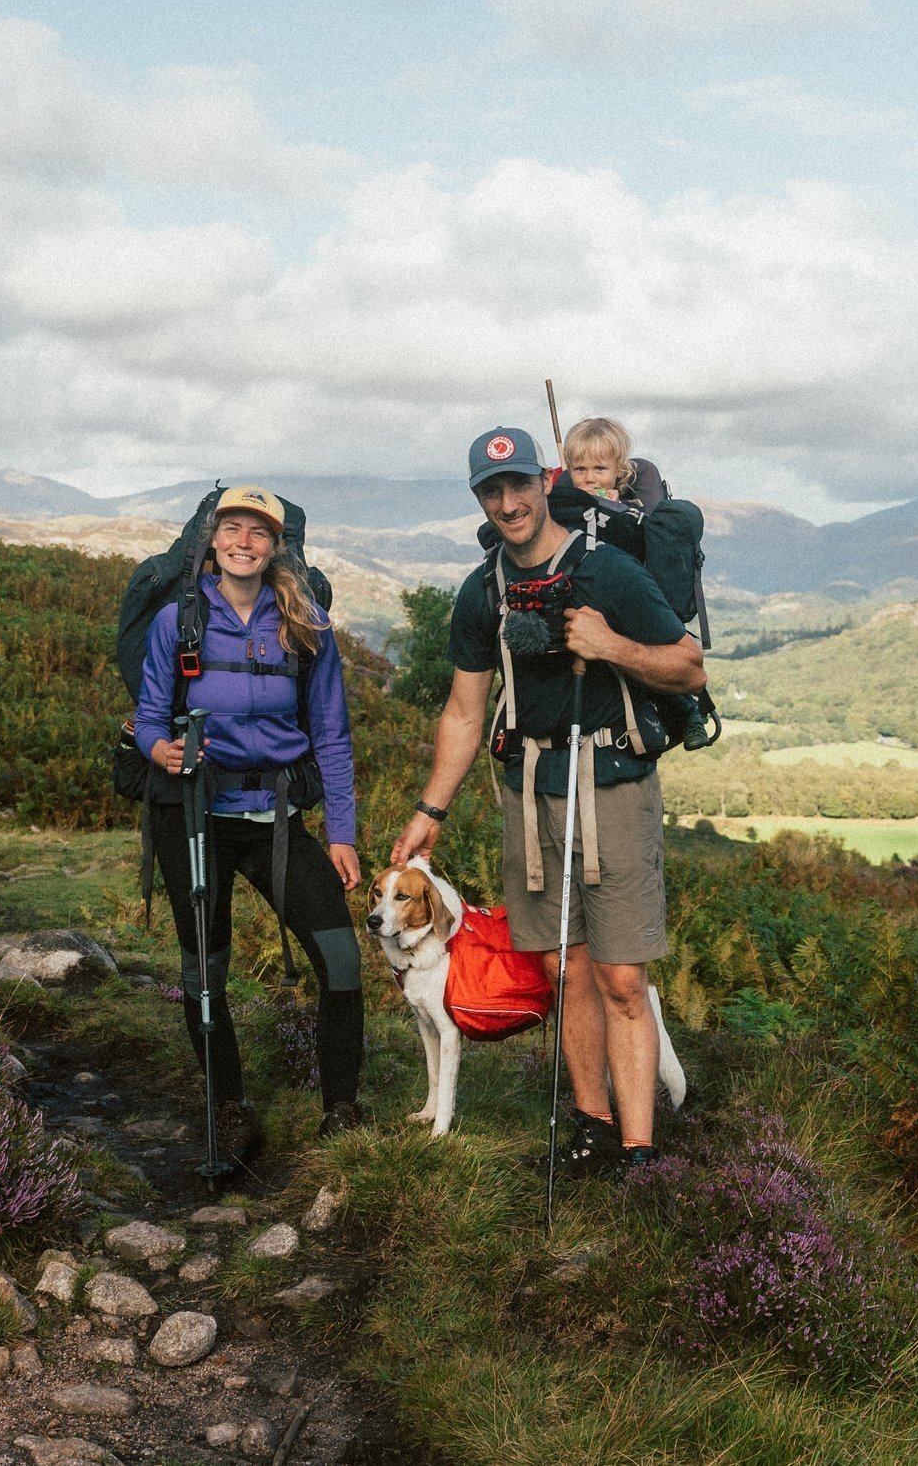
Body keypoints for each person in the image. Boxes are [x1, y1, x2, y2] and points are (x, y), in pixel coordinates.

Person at [391, 428, 705, 1179]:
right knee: (566, 969)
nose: (508, 501)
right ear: (480, 498)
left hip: (615, 786)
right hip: (528, 793)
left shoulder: (609, 573)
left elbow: (687, 665)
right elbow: (466, 711)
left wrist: (611, 646)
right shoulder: (482, 590)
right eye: (491, 490)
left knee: (622, 976)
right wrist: (427, 813)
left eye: (519, 484)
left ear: (545, 483)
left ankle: (637, 1150)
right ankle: (593, 1128)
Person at [134, 486, 365, 1170]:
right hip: (194, 817)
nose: (243, 541)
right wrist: (160, 749)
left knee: (342, 961)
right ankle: (230, 1106)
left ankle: (341, 1110)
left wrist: (342, 833)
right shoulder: (177, 621)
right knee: (205, 972)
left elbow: (330, 732)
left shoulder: (304, 621)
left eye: (258, 532)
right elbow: (149, 713)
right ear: (211, 539)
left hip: (277, 818)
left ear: (275, 546)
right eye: (231, 528)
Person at [561, 416, 638, 504]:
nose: (589, 478)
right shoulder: (560, 508)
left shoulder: (630, 510)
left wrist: (613, 507)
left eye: (599, 468)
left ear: (619, 469)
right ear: (570, 470)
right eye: (581, 469)